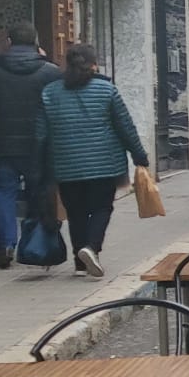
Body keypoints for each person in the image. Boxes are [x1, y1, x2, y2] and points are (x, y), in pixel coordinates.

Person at [37, 44, 150, 278]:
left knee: (75, 212)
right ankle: (91, 248)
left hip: (66, 165)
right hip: (105, 165)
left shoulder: (50, 92)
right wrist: (139, 156)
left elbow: (40, 133)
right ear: (93, 64)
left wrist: (39, 165)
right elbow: (125, 128)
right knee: (101, 207)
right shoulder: (107, 90)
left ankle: (79, 263)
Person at [0, 22, 62, 269]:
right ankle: (35, 244)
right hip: (39, 148)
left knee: (3, 193)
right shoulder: (50, 72)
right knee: (37, 194)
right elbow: (59, 111)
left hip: (2, 145)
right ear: (36, 43)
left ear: (8, 42)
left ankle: (6, 245)